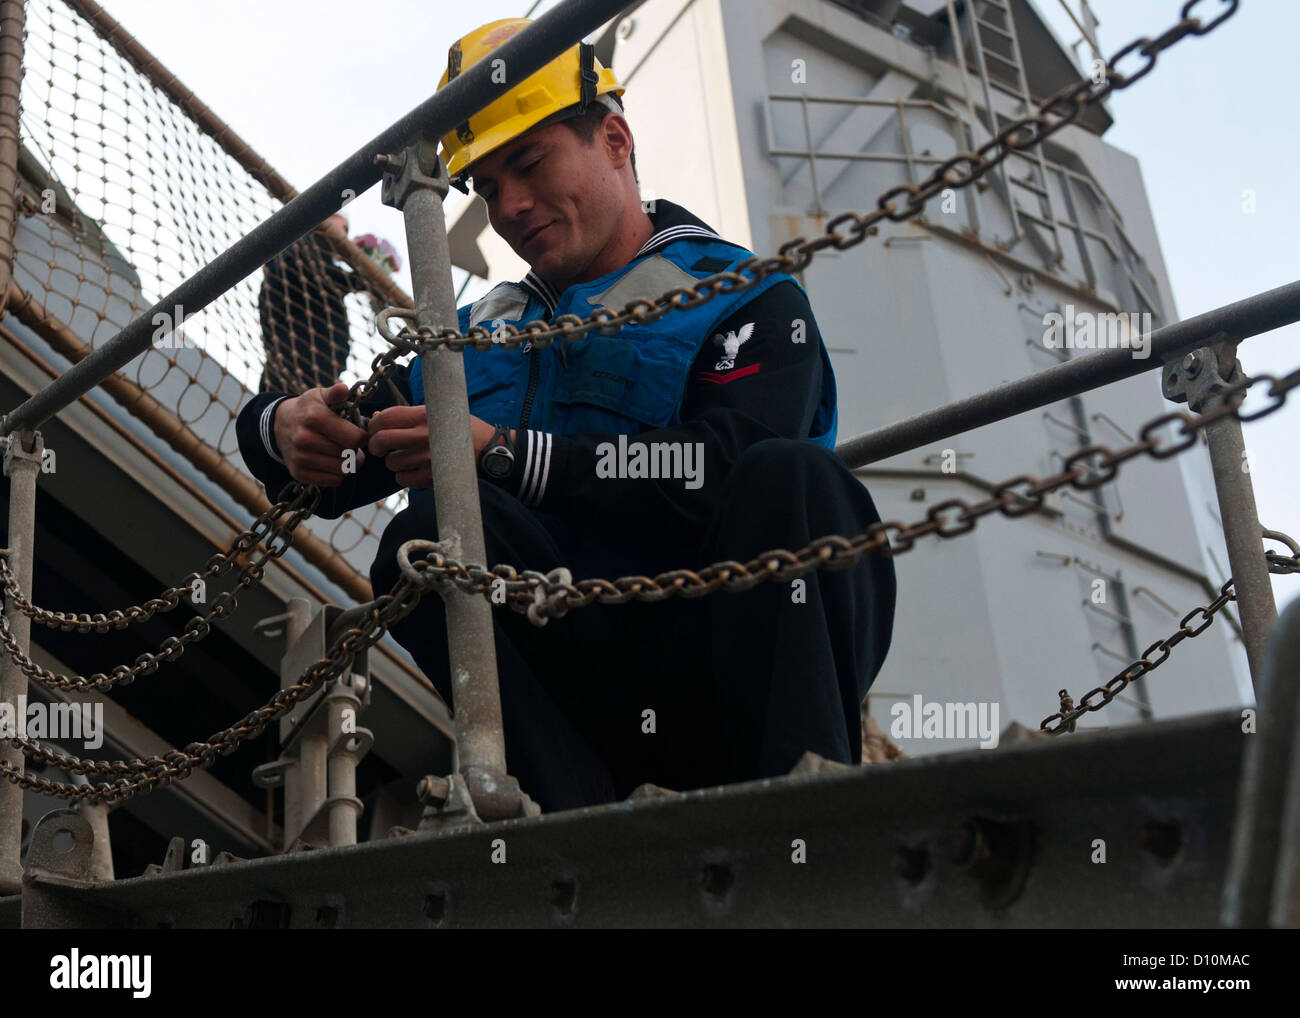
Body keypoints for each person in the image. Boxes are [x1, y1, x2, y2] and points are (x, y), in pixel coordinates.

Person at [236, 19, 896, 813]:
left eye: (528, 162)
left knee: (794, 479)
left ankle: (810, 816)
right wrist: (283, 426)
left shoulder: (749, 297)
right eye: (484, 185)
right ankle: (568, 821)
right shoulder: (474, 335)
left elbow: (721, 469)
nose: (509, 207)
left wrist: (508, 453)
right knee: (430, 529)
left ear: (614, 139)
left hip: (726, 667)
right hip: (584, 699)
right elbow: (338, 472)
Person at [257, 212, 365, 393]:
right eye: (341, 227)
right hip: (294, 362)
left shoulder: (324, 267)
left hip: (317, 369)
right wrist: (359, 279)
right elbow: (315, 273)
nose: (344, 234)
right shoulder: (302, 247)